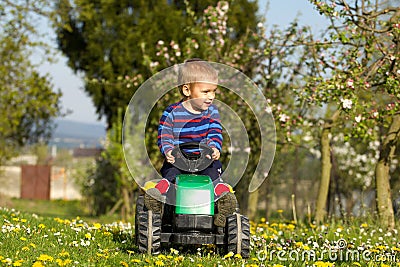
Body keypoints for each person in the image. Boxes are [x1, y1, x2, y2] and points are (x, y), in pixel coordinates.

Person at [144, 58, 237, 227]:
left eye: (214, 91)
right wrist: (168, 150)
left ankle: (223, 205)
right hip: (178, 160)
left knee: (214, 176)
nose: (211, 96)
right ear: (187, 90)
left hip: (205, 160)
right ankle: (157, 199)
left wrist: (215, 147)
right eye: (206, 91)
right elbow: (164, 134)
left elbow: (215, 132)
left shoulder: (211, 113)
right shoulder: (172, 112)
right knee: (170, 175)